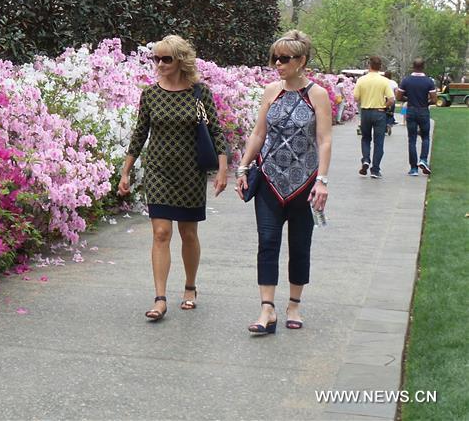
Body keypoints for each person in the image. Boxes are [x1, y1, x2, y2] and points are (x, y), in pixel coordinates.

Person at [118, 35, 228, 321]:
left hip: (190, 172)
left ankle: (190, 287)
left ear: (180, 60)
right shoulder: (150, 94)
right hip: (158, 172)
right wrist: (126, 170)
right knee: (161, 233)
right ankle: (160, 298)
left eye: (166, 58)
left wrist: (223, 168)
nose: (160, 64)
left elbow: (215, 131)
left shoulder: (199, 93)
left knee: (188, 234)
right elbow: (140, 133)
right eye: (156, 58)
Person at [234, 30, 331, 335]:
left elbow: (324, 140)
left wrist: (323, 181)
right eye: (274, 57)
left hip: (304, 183)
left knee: (300, 245)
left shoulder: (317, 94)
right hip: (269, 180)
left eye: (285, 58)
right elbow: (258, 133)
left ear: (302, 61)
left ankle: (294, 304)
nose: (277, 63)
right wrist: (243, 167)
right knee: (268, 242)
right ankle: (267, 309)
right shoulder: (271, 91)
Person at [352, 56, 395, 179]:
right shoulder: (384, 81)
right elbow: (391, 99)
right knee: (379, 141)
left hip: (366, 111)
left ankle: (365, 159)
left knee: (365, 138)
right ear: (380, 67)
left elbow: (356, 98)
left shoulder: (361, 80)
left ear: (368, 65)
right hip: (379, 112)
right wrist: (384, 106)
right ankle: (375, 169)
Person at [397, 58, 437, 176]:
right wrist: (426, 102)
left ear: (412, 66)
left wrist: (408, 98)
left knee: (412, 139)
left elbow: (399, 96)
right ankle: (423, 159)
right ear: (423, 67)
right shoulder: (429, 81)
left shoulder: (406, 80)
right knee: (425, 137)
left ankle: (414, 168)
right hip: (423, 110)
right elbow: (434, 99)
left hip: (411, 110)